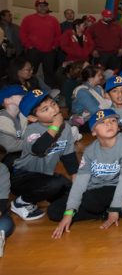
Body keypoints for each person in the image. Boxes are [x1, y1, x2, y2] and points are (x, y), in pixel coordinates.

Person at [50, 109, 122, 237]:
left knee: (91, 200)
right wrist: (69, 213)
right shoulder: (90, 150)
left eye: (113, 121)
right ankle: (103, 213)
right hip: (94, 188)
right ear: (94, 132)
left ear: (118, 127)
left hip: (115, 188)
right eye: (102, 122)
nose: (109, 124)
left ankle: (112, 208)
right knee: (54, 211)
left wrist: (115, 207)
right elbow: (80, 182)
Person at [11, 89, 77, 221]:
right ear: (33, 118)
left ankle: (52, 205)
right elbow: (38, 148)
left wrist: (76, 179)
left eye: (53, 104)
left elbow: (68, 155)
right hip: (23, 177)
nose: (53, 110)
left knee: (70, 190)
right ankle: (21, 202)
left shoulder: (66, 128)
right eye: (45, 109)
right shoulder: (32, 130)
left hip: (45, 176)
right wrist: (56, 125)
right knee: (55, 184)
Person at [20, 0, 61, 88]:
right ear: (36, 7)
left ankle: (50, 93)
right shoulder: (28, 19)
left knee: (49, 72)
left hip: (49, 51)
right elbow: (23, 33)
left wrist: (54, 46)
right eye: (40, 5)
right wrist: (29, 46)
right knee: (30, 72)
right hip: (33, 51)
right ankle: (29, 91)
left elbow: (58, 35)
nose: (42, 7)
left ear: (47, 7)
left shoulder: (53, 20)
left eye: (44, 5)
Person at [0, 85, 28, 170]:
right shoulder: (2, 120)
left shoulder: (22, 115)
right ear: (7, 100)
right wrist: (34, 142)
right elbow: (10, 147)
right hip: (6, 160)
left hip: (21, 153)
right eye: (21, 95)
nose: (25, 97)